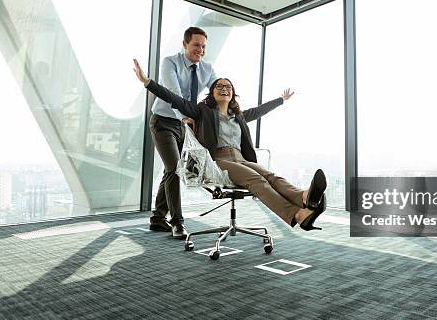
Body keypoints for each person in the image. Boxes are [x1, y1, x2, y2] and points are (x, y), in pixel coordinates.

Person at [133, 59, 327, 231]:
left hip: (240, 159)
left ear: (233, 93)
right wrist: (147, 82)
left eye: (228, 86)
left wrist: (280, 100)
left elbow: (259, 111)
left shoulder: (239, 117)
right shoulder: (202, 111)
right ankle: (297, 215)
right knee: (257, 180)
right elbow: (173, 98)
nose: (224, 88)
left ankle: (303, 197)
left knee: (270, 176)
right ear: (212, 93)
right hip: (218, 161)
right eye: (219, 86)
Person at [148, 27, 218, 239]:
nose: (201, 50)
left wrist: (227, 111)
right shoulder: (170, 62)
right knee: (174, 168)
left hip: (184, 125)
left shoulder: (206, 68)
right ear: (185, 44)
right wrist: (184, 117)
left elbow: (216, 92)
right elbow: (174, 94)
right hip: (163, 122)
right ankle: (177, 222)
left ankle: (158, 218)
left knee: (172, 169)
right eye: (196, 45)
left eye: (204, 46)